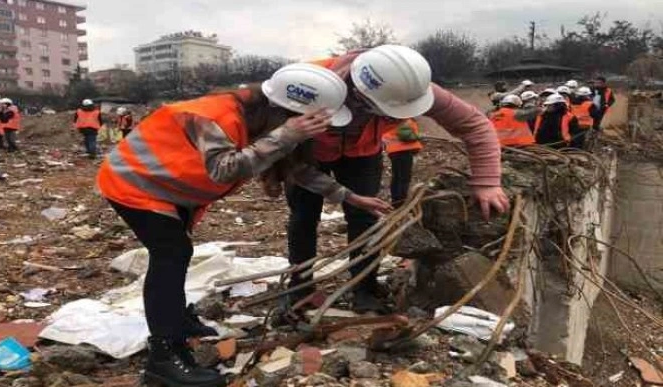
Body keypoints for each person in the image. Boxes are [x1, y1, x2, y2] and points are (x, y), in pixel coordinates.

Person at [96, 63, 389, 387]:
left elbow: (295, 168)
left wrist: (350, 197)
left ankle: (178, 321)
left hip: (169, 187)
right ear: (287, 111)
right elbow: (224, 169)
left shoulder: (262, 123)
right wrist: (288, 134)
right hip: (135, 182)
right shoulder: (217, 118)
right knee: (172, 254)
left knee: (176, 253)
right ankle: (164, 358)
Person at [286, 45, 509, 313]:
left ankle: (365, 289)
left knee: (364, 217)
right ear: (359, 93)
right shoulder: (305, 83)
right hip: (305, 152)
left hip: (362, 153)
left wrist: (487, 181)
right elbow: (275, 142)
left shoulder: (407, 84)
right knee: (303, 217)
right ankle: (299, 290)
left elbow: (474, 124)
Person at [382, 119, 423, 207]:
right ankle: (400, 202)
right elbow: (407, 136)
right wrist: (419, 136)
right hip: (403, 151)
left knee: (397, 177)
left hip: (394, 151)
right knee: (404, 178)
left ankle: (396, 201)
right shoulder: (404, 120)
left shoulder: (389, 119)